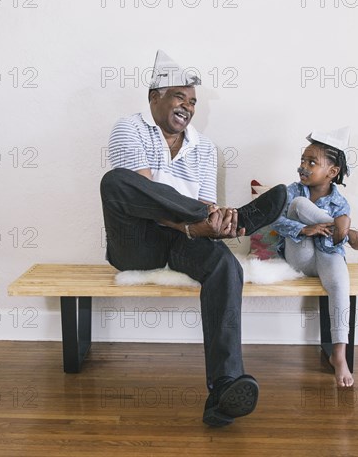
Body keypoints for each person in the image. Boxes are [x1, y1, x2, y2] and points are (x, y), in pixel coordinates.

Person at [100, 50, 288, 426]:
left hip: (185, 237)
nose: (187, 107)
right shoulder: (129, 128)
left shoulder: (204, 147)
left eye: (193, 102)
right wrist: (204, 219)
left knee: (224, 264)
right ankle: (238, 221)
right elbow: (145, 200)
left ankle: (225, 387)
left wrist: (204, 224)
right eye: (178, 97)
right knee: (116, 182)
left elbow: (201, 206)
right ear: (154, 96)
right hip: (136, 241)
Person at [271, 127, 358, 387]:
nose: (303, 166)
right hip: (300, 256)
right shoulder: (292, 191)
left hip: (327, 256)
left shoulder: (340, 203)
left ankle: (338, 355)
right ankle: (351, 236)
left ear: (332, 173)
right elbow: (274, 220)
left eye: (312, 162)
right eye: (302, 160)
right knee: (299, 206)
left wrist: (332, 233)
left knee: (341, 285)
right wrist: (303, 228)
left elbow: (332, 245)